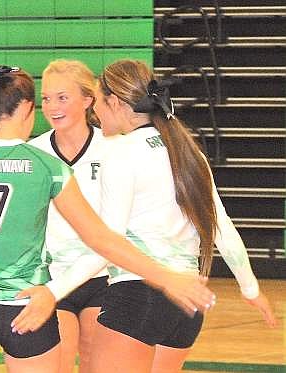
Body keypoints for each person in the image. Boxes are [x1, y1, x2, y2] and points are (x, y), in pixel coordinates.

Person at [0, 62, 216, 373]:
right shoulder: (48, 166)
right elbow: (103, 239)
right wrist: (166, 277)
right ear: (27, 108)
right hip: (30, 308)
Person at [85, 59, 277, 373]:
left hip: (138, 295)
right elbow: (222, 230)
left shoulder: (120, 154)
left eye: (97, 102)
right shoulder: (189, 151)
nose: (94, 113)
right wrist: (250, 289)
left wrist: (53, 292)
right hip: (187, 306)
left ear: (115, 102)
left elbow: (109, 241)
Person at [28, 59, 107, 372]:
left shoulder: (111, 148)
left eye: (63, 97)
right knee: (58, 363)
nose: (52, 106)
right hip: (53, 277)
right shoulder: (34, 153)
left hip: (104, 275)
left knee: (94, 360)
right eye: (46, 98)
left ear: (88, 100)